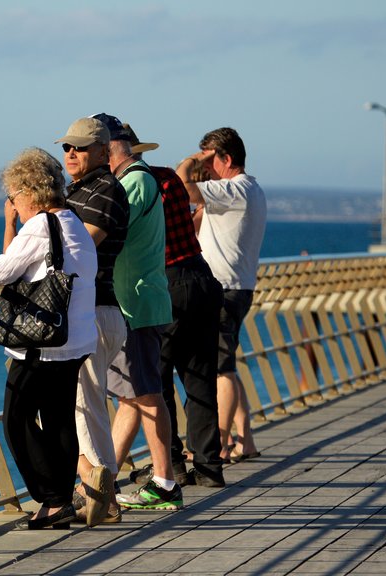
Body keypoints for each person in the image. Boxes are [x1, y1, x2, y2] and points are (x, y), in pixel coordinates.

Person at [0, 147, 98, 530]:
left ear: (29, 192)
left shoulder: (38, 227)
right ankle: (62, 502)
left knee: (16, 418)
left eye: (15, 197)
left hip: (41, 343)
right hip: (75, 338)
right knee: (59, 420)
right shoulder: (75, 223)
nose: (13, 205)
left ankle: (51, 498)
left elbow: (1, 270)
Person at [94, 115, 226, 490]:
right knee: (199, 378)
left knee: (154, 381)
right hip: (201, 275)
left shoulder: (130, 186)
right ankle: (209, 466)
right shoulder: (166, 177)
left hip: (166, 281)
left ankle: (168, 468)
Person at [87, 114, 181, 511]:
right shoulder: (136, 179)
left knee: (146, 392)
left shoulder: (134, 182)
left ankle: (164, 482)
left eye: (91, 150)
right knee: (130, 396)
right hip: (132, 301)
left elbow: (104, 229)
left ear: (108, 148)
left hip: (136, 303)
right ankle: (100, 483)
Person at [55, 117, 130, 525]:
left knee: (86, 406)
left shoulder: (105, 192)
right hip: (91, 312)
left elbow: (76, 252)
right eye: (67, 147)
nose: (71, 153)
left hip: (96, 311)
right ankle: (101, 492)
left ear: (104, 151)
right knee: (86, 407)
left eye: (80, 147)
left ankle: (103, 495)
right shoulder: (79, 190)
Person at [177, 127, 267, 464]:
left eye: (209, 160)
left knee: (221, 371)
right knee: (225, 363)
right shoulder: (248, 190)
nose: (206, 167)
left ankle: (219, 444)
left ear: (226, 159)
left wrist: (189, 162)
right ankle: (247, 440)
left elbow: (183, 187)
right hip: (237, 286)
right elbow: (199, 224)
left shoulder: (234, 189)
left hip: (224, 289)